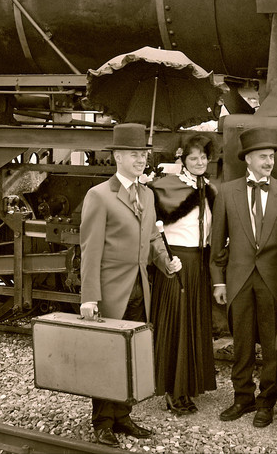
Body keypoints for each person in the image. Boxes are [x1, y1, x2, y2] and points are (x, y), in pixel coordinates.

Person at [79, 123, 183, 447]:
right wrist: (89, 298)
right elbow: (90, 250)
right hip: (111, 291)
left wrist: (166, 261)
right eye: (135, 154)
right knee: (106, 357)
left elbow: (152, 236)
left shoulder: (147, 195)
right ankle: (103, 422)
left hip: (141, 287)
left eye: (144, 154)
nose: (141, 160)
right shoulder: (98, 196)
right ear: (118, 157)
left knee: (131, 355)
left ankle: (122, 416)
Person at [210, 127, 277, 429]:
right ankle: (242, 397)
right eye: (263, 156)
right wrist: (219, 281)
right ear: (248, 159)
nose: (269, 162)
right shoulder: (226, 191)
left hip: (273, 281)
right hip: (238, 278)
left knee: (273, 347)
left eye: (271, 157)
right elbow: (217, 240)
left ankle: (267, 403)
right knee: (242, 343)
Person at [148, 134, 218, 415]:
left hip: (199, 264)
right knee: (176, 324)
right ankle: (172, 391)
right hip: (176, 261)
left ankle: (188, 385)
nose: (199, 162)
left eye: (203, 157)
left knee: (194, 323)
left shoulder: (208, 188)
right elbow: (152, 227)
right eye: (193, 158)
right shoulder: (166, 186)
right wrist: (165, 260)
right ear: (183, 160)